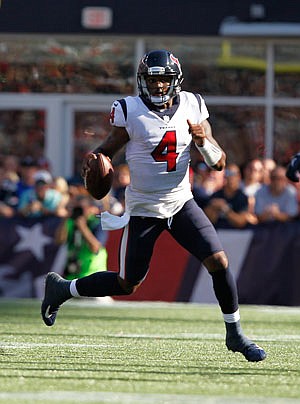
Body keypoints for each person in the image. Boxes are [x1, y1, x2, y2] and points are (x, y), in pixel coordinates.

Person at [41, 49, 266, 362]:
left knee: (219, 262)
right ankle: (63, 289)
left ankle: (235, 333)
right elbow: (105, 152)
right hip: (145, 207)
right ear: (142, 80)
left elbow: (219, 164)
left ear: (175, 80)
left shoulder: (192, 105)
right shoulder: (130, 111)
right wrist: (93, 165)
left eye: (163, 79)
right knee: (127, 283)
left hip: (180, 202)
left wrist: (203, 143)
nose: (158, 85)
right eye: (152, 79)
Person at [204, 163, 257, 228]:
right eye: (227, 173)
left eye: (232, 174)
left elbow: (241, 222)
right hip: (217, 232)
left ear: (239, 176)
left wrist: (225, 209)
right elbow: (207, 220)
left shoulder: (243, 197)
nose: (229, 177)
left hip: (235, 234)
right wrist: (212, 207)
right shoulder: (216, 195)